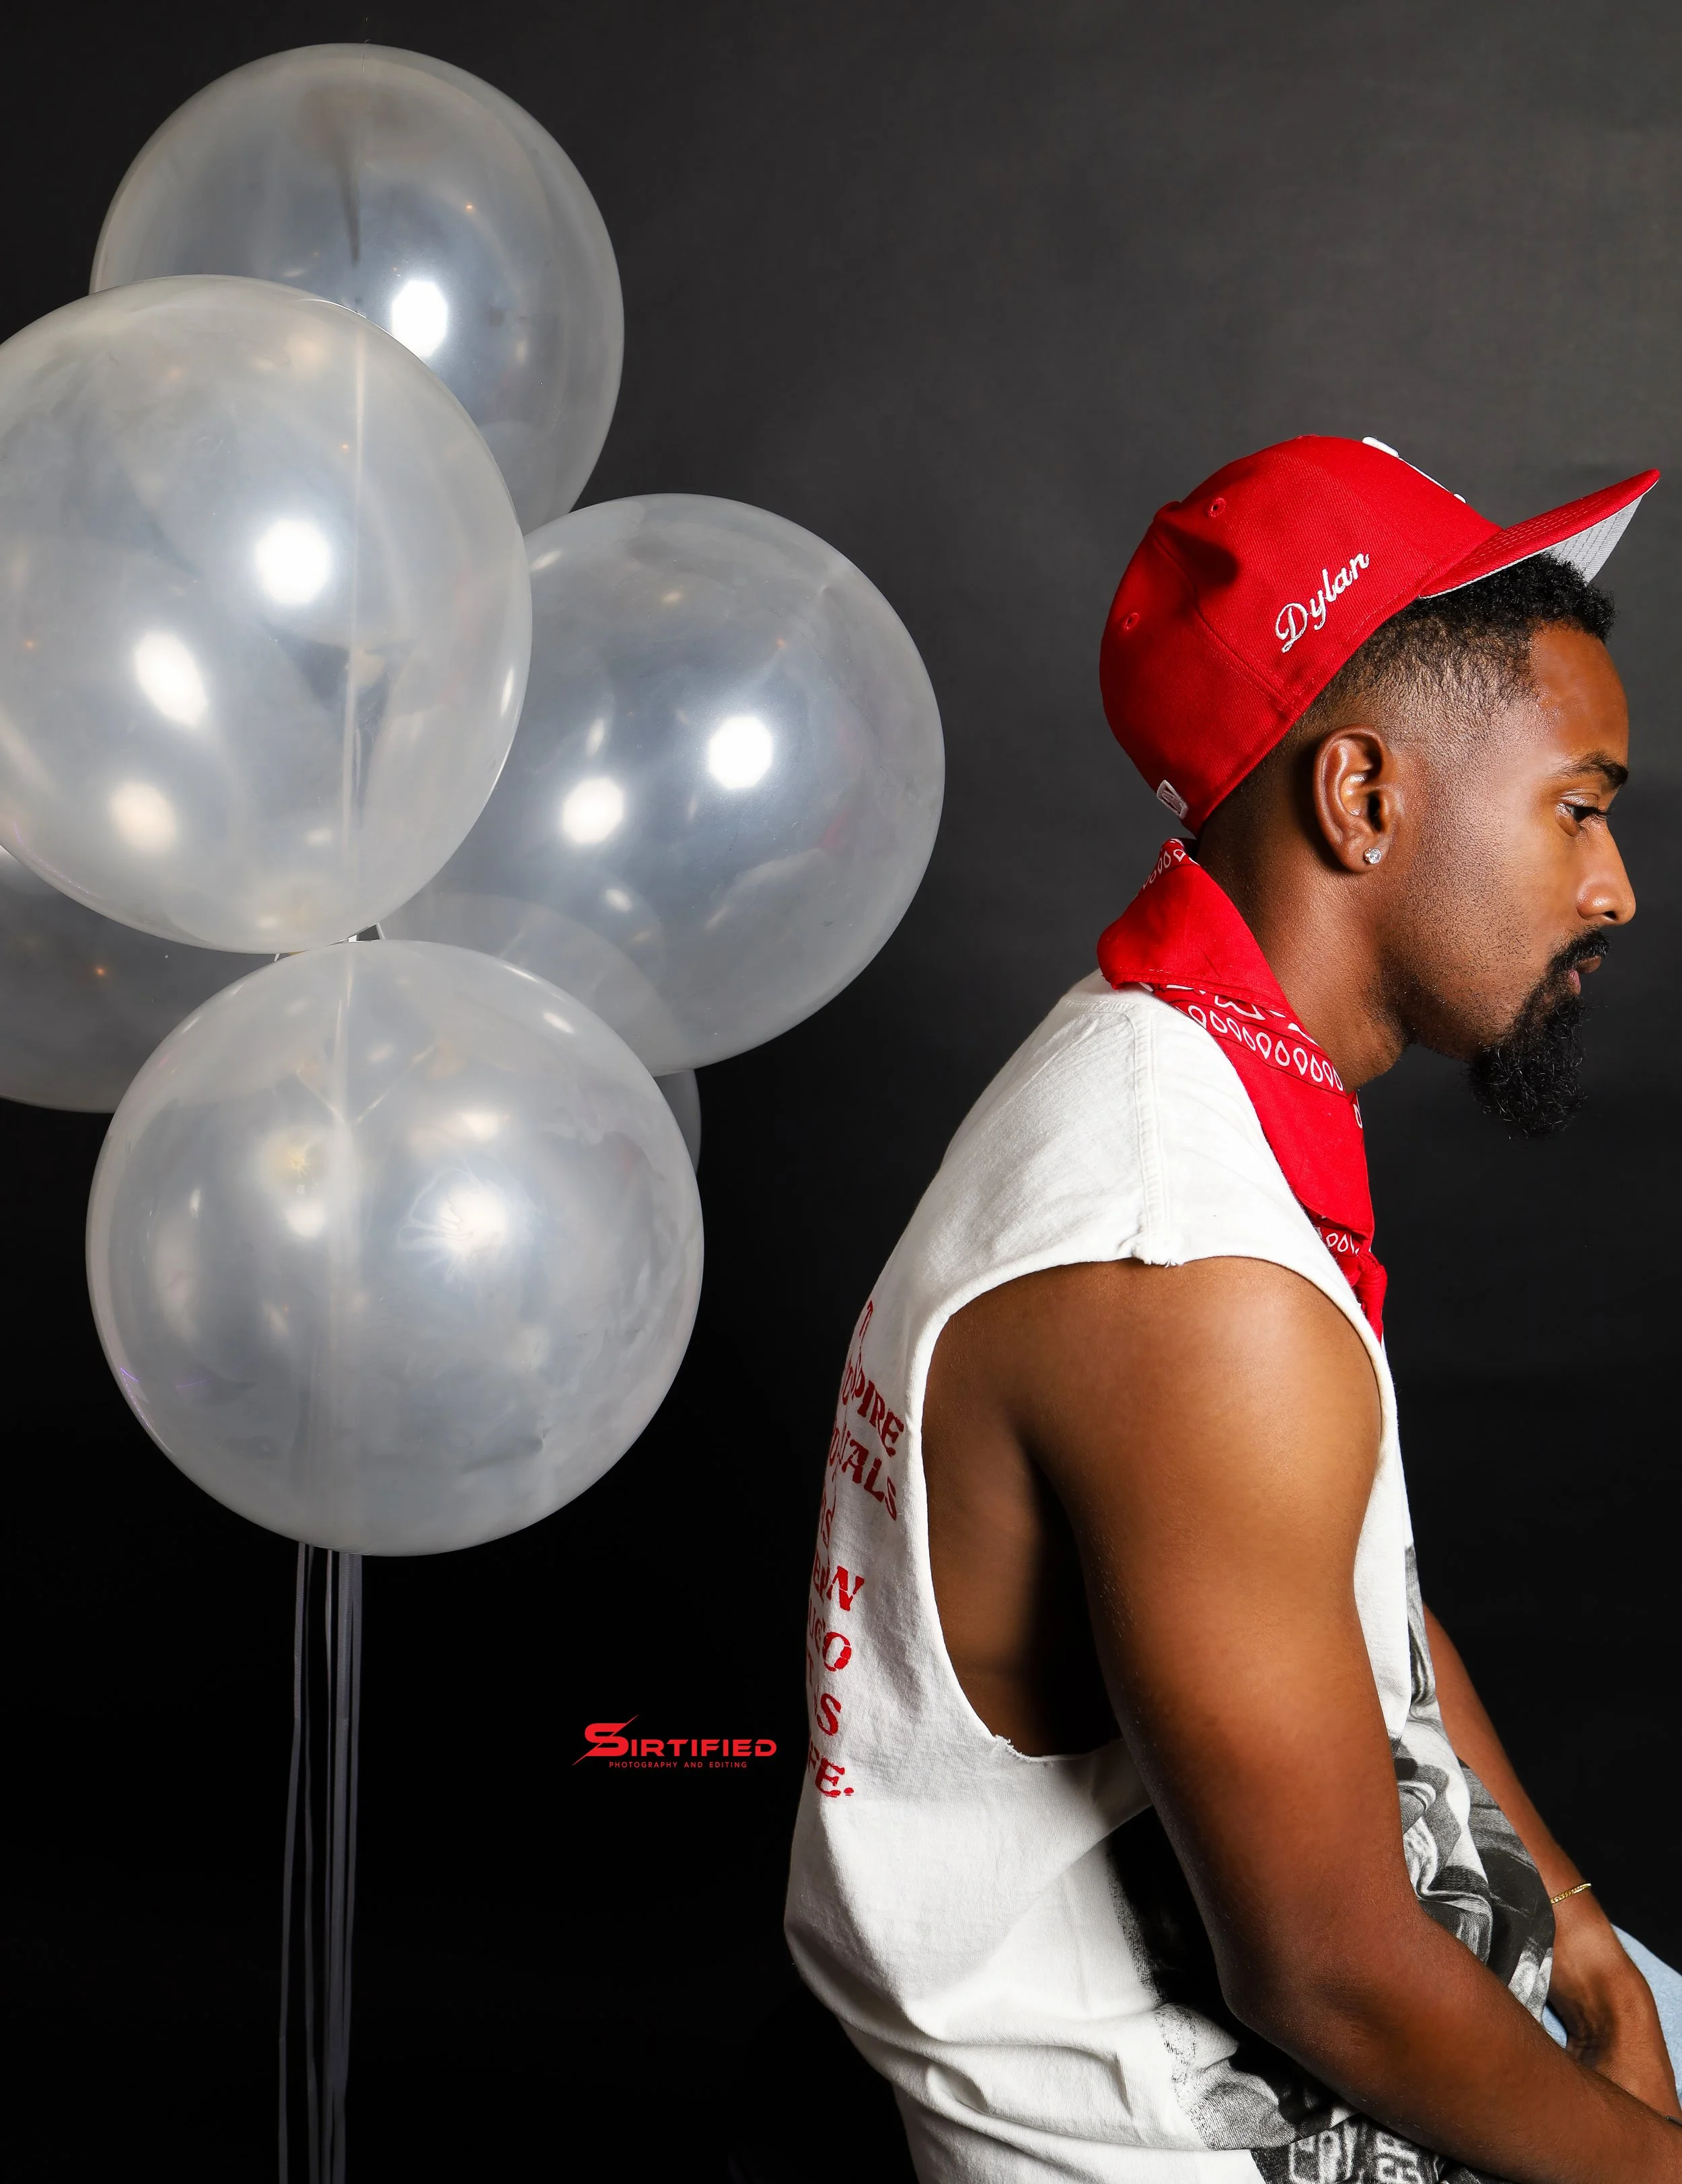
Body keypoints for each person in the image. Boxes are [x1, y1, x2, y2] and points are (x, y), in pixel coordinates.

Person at [784, 435, 1682, 2183]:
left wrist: (1572, 1919)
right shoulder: (1182, 1263)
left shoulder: (1184, 1065)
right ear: (1363, 800)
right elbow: (1328, 1980)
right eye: (1578, 807)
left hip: (1400, 1977)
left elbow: (1352, 1598)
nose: (1614, 888)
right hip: (1179, 2131)